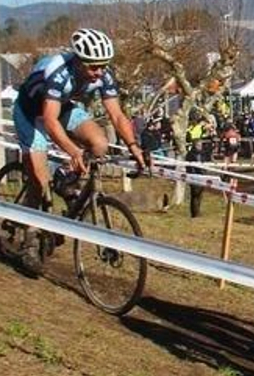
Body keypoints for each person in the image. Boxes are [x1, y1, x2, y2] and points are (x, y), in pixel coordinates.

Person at [11, 28, 150, 272]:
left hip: (61, 107)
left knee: (99, 143)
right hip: (31, 112)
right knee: (39, 180)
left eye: (104, 66)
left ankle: (66, 181)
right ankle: (30, 239)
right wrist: (74, 152)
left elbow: (117, 115)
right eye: (93, 67)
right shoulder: (57, 71)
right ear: (77, 61)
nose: (99, 72)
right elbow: (50, 121)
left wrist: (134, 146)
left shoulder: (102, 74)